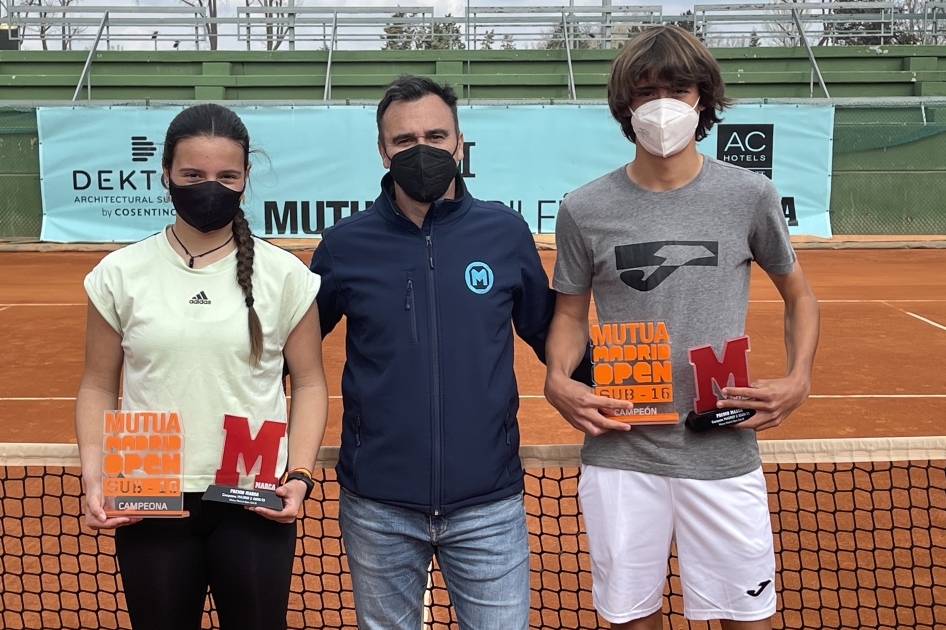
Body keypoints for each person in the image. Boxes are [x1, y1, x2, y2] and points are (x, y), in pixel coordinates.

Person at [544, 26, 820, 630]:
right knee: (630, 619)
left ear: (704, 100)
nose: (662, 104)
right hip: (622, 449)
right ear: (625, 107)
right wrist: (556, 379)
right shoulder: (583, 207)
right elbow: (568, 314)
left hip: (722, 447)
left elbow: (798, 296)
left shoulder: (748, 194)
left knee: (749, 621)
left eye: (678, 88)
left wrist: (798, 379)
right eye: (645, 92)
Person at [309, 74, 589, 630]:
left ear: (460, 143)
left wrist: (616, 389)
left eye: (436, 137)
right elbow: (292, 349)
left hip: (489, 505)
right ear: (382, 151)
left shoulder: (504, 233)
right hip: (377, 507)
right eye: (404, 141)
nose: (422, 151)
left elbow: (549, 329)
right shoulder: (345, 244)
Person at [75, 103, 328, 630]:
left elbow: (309, 384)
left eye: (225, 176)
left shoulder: (286, 276)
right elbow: (98, 385)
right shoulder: (119, 274)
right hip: (150, 494)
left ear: (245, 178)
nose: (208, 186)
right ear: (165, 174)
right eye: (192, 174)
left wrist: (300, 477)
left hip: (252, 495)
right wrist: (94, 478)